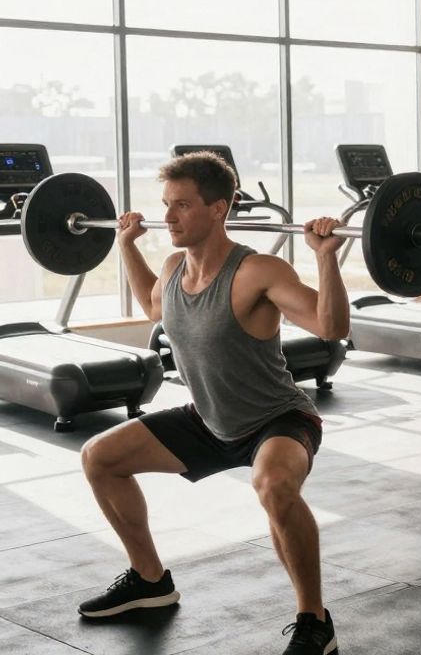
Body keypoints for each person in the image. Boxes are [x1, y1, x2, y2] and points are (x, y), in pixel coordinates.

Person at [78, 152, 347, 655]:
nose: (169, 217)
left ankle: (315, 621)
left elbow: (332, 328)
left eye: (182, 205)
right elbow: (155, 307)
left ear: (219, 207)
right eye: (166, 205)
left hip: (277, 419)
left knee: (273, 485)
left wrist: (326, 256)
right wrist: (125, 246)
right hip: (209, 418)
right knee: (100, 457)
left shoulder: (257, 271)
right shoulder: (175, 265)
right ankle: (150, 581)